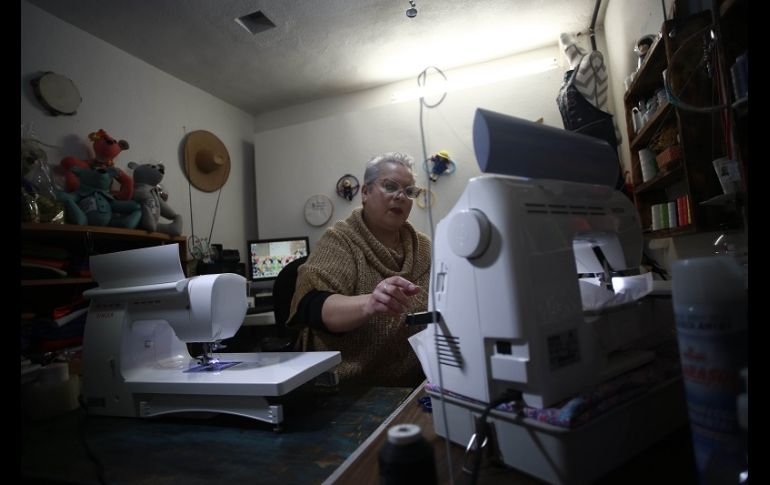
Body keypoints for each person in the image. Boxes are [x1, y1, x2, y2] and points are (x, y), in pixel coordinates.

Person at [287, 152, 431, 387]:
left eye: (409, 191)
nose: (401, 196)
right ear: (365, 192)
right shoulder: (341, 239)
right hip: (350, 386)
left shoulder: (422, 246)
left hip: (415, 381)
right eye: (390, 186)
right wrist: (370, 303)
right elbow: (311, 305)